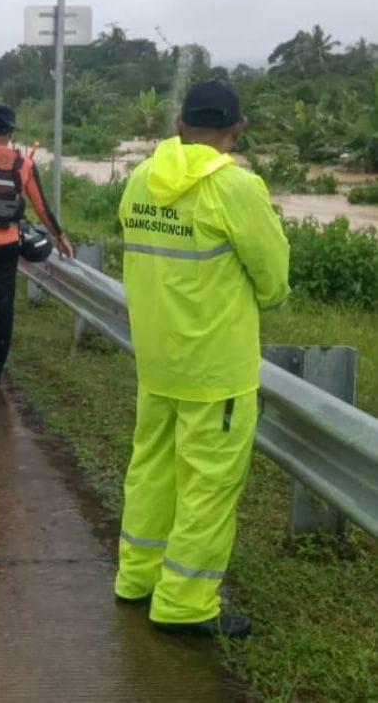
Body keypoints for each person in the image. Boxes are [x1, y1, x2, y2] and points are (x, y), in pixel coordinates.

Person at [113, 81, 290, 639]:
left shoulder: (141, 178)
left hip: (157, 359)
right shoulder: (236, 187)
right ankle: (186, 604)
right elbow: (274, 279)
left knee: (151, 473)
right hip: (215, 367)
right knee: (208, 488)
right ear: (237, 129)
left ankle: (137, 578)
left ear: (180, 124)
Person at [0, 104, 73, 383]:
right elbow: (41, 206)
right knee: (4, 310)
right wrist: (59, 236)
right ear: (11, 131)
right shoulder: (24, 164)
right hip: (8, 247)